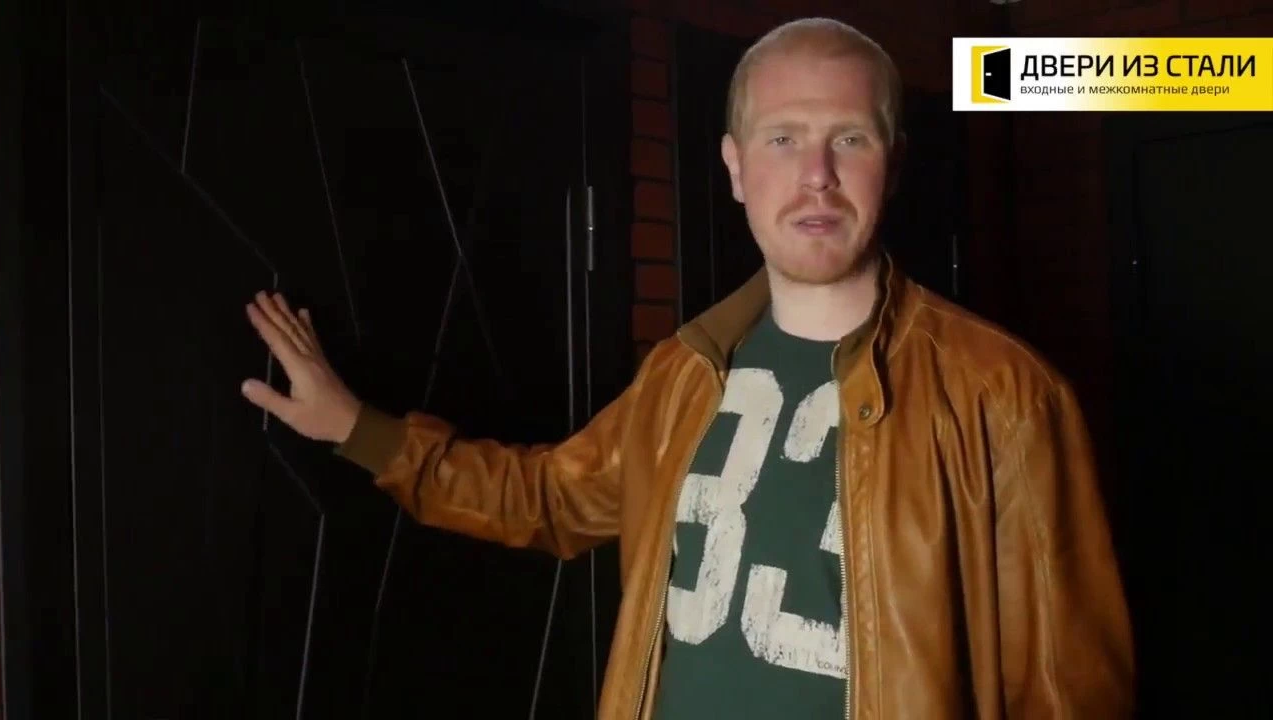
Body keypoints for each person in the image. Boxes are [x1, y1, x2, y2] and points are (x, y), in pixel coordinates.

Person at [241, 17, 1133, 720]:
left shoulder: (1003, 395)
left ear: (892, 165)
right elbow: (546, 498)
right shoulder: (683, 375)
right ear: (735, 168)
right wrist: (356, 430)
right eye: (782, 139)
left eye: (849, 139)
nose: (816, 175)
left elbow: (1070, 693)